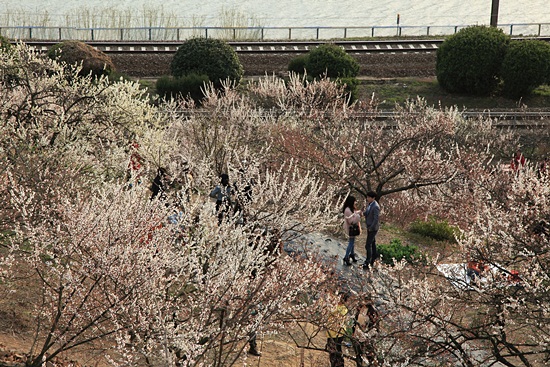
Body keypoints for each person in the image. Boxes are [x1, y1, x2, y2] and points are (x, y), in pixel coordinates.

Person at [326, 293, 349, 367]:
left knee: (337, 353)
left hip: (338, 333)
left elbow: (336, 313)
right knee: (332, 353)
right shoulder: (333, 306)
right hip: (330, 333)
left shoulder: (343, 308)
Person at [362, 191, 380, 270]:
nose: (367, 198)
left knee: (368, 245)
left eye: (369, 197)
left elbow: (376, 219)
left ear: (373, 198)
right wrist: (362, 213)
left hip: (372, 228)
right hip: (369, 226)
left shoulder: (376, 206)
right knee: (372, 243)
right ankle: (374, 256)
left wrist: (371, 227)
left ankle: (368, 261)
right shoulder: (370, 204)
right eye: (367, 197)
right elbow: (367, 213)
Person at [342, 195, 362, 266]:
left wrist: (358, 212)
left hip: (353, 228)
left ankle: (352, 254)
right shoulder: (347, 210)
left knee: (352, 242)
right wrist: (358, 216)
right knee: (351, 242)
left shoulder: (350, 208)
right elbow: (351, 221)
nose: (355, 203)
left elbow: (353, 214)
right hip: (351, 228)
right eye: (354, 201)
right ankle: (346, 256)